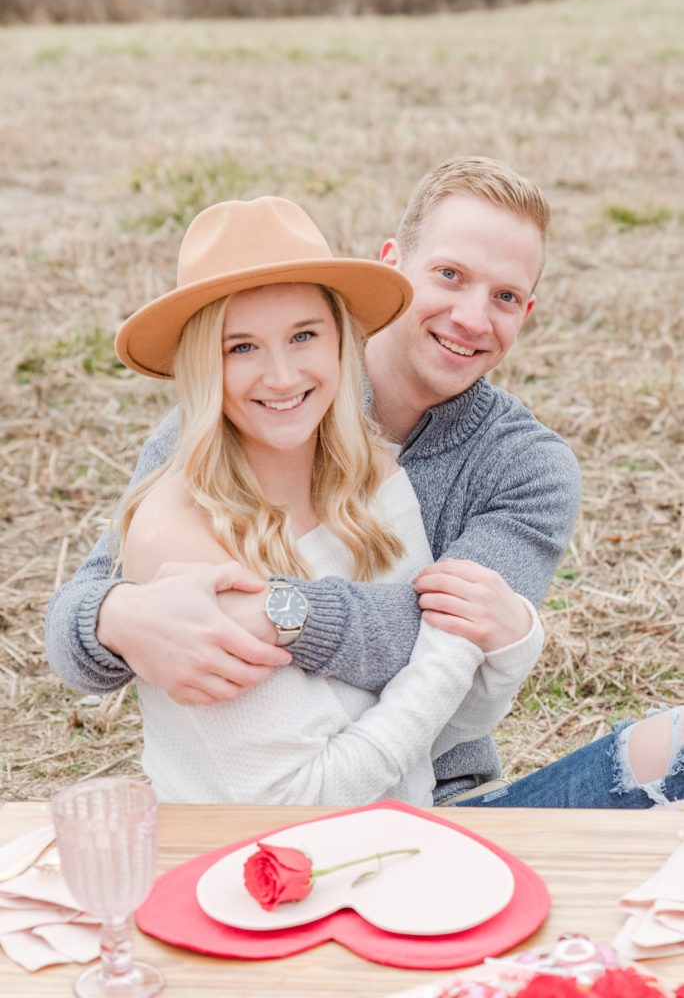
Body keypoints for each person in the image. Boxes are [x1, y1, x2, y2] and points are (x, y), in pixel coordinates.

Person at [48, 156, 684, 809]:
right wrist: (115, 615)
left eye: (504, 297)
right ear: (392, 266)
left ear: (527, 311)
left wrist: (279, 613)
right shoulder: (237, 411)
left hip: (447, 793)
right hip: (303, 810)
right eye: (449, 275)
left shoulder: (523, 469)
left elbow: (453, 672)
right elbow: (89, 613)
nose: (471, 317)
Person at [109, 195, 544, 804]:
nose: (283, 376)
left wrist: (515, 636)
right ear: (202, 367)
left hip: (409, 838)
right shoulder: (179, 532)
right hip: (264, 869)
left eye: (303, 335)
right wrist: (464, 643)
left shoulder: (373, 475)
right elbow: (303, 801)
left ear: (342, 340)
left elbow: (448, 726)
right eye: (242, 347)